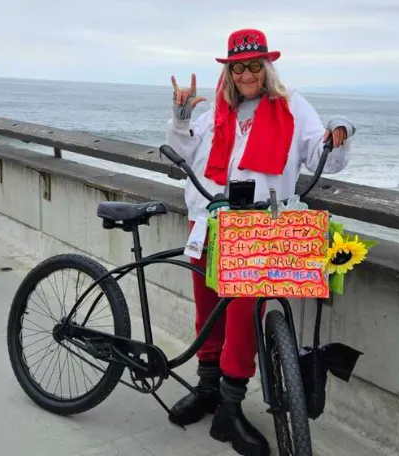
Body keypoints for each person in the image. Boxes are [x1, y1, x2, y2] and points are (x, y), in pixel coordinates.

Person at [165, 28, 356, 456]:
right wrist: (180, 115)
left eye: (254, 66)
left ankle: (231, 407)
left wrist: (338, 131)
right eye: (238, 67)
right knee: (209, 311)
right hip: (208, 223)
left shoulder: (291, 107)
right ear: (230, 72)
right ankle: (208, 390)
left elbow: (318, 151)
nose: (246, 74)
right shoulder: (216, 112)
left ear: (266, 69)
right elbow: (186, 150)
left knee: (244, 313)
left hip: (259, 232)